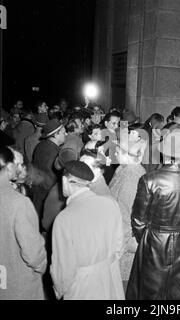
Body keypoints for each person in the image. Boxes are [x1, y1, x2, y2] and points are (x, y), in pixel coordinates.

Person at [126, 128, 180, 300]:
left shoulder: (150, 179)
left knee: (151, 288)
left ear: (164, 152)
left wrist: (148, 237)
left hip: (155, 239)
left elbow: (138, 220)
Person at [50, 160, 124, 300]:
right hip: (111, 280)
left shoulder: (64, 219)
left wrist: (59, 291)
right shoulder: (111, 203)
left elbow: (62, 271)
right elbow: (119, 245)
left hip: (83, 288)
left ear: (65, 181)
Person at [0, 145, 47, 300]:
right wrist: (41, 267)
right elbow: (33, 253)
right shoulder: (19, 203)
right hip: (18, 284)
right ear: (8, 166)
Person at [109, 127, 147, 282]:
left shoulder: (132, 177)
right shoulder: (123, 169)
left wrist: (129, 242)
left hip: (125, 245)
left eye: (118, 149)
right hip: (118, 238)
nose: (115, 152)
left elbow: (139, 216)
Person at [32, 119, 66, 219]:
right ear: (56, 135)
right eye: (64, 132)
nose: (66, 134)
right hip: (47, 196)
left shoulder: (41, 145)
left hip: (38, 193)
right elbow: (51, 179)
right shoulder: (54, 153)